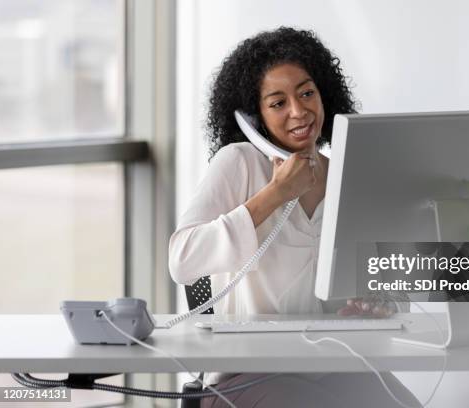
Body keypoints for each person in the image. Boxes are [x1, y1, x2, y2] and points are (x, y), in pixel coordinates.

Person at [169, 27, 421, 408]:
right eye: (278, 102)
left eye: (306, 93)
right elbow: (182, 259)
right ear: (254, 117)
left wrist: (374, 305)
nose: (299, 111)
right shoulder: (238, 164)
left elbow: (385, 287)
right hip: (245, 376)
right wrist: (276, 193)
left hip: (332, 366)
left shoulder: (345, 176)